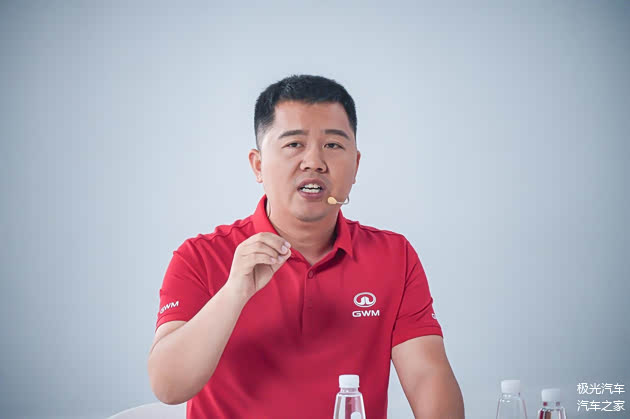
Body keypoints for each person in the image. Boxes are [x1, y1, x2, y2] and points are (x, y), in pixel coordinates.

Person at [147, 74, 465, 418]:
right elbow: (169, 387)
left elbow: (426, 375)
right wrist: (235, 292)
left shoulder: (393, 256)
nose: (314, 161)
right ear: (258, 165)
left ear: (356, 165)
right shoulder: (200, 256)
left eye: (333, 145)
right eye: (294, 144)